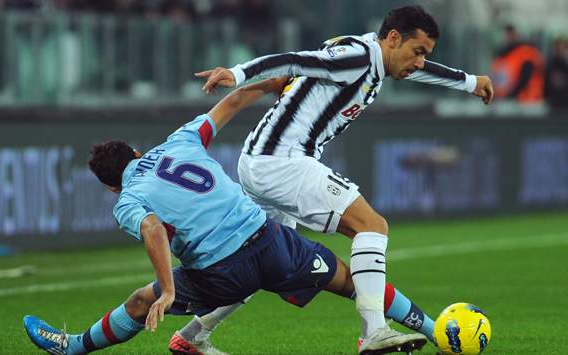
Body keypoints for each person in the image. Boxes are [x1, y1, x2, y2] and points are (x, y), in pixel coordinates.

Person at [23, 78, 428, 355]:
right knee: (351, 278)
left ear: (110, 185)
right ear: (136, 152)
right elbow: (233, 101)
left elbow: (152, 230)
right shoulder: (178, 143)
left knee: (138, 302)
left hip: (222, 275)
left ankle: (74, 346)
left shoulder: (127, 199)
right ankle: (418, 329)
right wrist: (272, 85)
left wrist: (165, 290)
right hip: (271, 245)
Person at [196, 5, 494, 353]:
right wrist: (238, 72)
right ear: (394, 38)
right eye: (418, 52)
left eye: (425, 55)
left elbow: (419, 71)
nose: (419, 62)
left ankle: (193, 335)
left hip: (262, 162)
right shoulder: (356, 58)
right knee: (372, 226)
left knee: (262, 262)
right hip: (282, 162)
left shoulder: (375, 60)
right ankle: (373, 332)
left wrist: (470, 82)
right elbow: (293, 59)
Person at [491, 24, 545, 104]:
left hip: (527, 101)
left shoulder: (526, 52)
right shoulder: (505, 55)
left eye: (510, 34)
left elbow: (524, 79)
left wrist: (510, 96)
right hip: (508, 101)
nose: (507, 38)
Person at [544, 36, 568, 110]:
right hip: (553, 101)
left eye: (562, 48)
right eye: (558, 49)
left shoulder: (565, 63)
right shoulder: (550, 64)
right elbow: (547, 83)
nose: (560, 51)